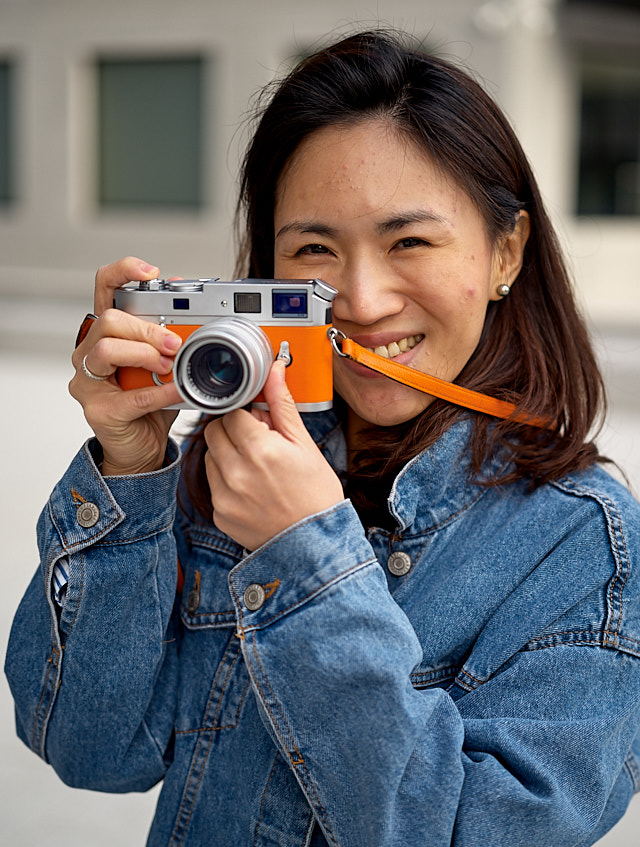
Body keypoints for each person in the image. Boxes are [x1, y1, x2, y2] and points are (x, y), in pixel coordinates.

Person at [5, 28, 640, 847]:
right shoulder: (229, 464)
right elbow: (89, 747)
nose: (363, 299)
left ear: (504, 251)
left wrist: (306, 556)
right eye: (314, 248)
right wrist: (131, 472)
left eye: (408, 240)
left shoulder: (583, 541)